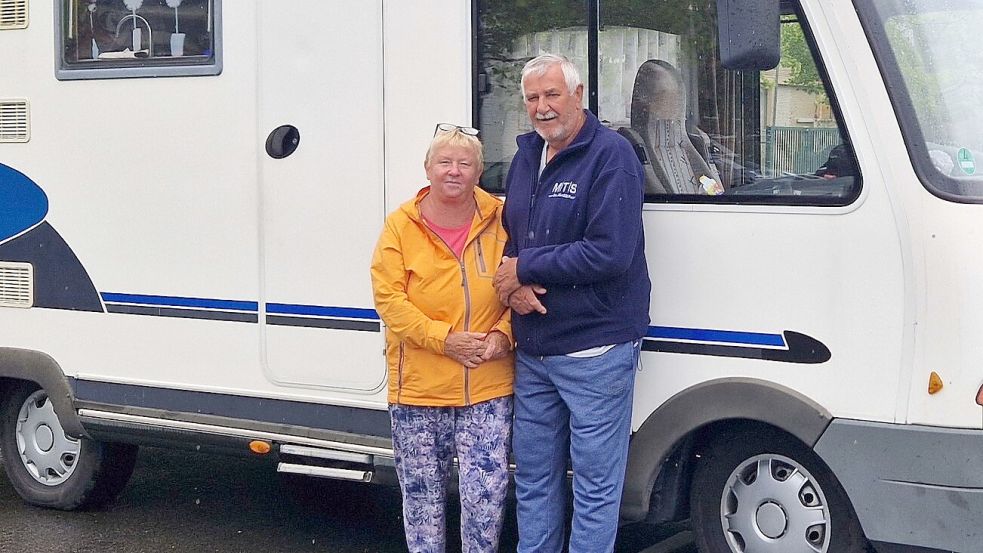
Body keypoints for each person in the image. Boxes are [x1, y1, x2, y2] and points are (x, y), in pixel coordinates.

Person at [493, 53, 651, 553]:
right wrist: (513, 284)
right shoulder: (526, 156)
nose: (542, 107)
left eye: (552, 94)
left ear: (578, 95)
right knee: (534, 478)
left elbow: (610, 252)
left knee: (595, 486)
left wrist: (526, 268)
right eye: (532, 98)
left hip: (594, 351)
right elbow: (515, 237)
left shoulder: (612, 156)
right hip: (534, 350)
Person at [370, 123, 514, 553]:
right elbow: (389, 300)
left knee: (485, 498)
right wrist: (444, 339)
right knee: (422, 499)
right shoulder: (401, 225)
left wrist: (503, 336)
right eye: (445, 162)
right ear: (427, 168)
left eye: (464, 163)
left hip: (486, 386)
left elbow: (523, 285)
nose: (454, 171)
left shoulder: (503, 219)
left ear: (479, 171)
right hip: (418, 389)